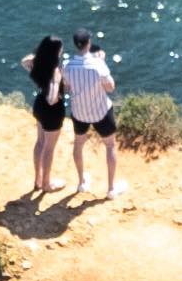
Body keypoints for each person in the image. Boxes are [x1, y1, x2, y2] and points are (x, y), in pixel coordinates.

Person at [63, 31, 118, 195]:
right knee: (110, 145)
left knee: (79, 144)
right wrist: (101, 61)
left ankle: (81, 183)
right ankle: (111, 189)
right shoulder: (98, 65)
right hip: (101, 112)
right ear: (89, 43)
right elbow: (111, 87)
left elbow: (66, 86)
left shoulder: (67, 66)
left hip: (79, 113)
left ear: (75, 44)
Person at [25, 33, 68, 193]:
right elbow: (52, 99)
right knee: (49, 148)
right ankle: (47, 184)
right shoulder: (54, 70)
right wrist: (57, 81)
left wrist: (38, 56)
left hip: (39, 105)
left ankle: (37, 180)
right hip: (52, 112)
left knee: (40, 142)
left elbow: (25, 62)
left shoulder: (39, 63)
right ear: (56, 51)